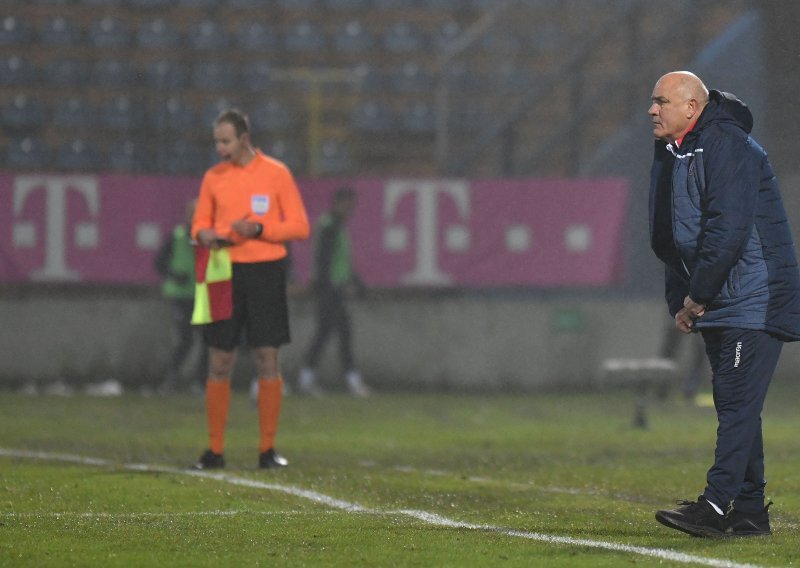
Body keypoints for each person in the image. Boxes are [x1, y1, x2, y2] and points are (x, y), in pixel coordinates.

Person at [648, 71, 800, 537]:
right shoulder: (674, 151)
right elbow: (671, 236)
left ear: (691, 108)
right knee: (738, 405)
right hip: (722, 300)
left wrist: (699, 296)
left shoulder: (727, 144)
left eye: (661, 102)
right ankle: (751, 512)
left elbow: (727, 230)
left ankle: (714, 506)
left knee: (735, 405)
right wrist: (681, 298)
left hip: (754, 296)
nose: (651, 111)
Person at [191, 109, 310, 470]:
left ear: (244, 139)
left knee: (267, 358)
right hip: (223, 270)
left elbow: (300, 226)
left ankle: (267, 450)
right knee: (220, 359)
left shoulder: (276, 173)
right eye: (216, 141)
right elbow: (199, 222)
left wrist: (260, 231)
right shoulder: (213, 178)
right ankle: (214, 451)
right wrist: (203, 234)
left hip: (265, 272)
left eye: (225, 141)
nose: (219, 148)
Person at [297, 187, 370, 397]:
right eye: (348, 204)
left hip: (333, 289)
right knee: (335, 333)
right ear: (338, 202)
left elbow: (342, 262)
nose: (350, 209)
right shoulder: (330, 225)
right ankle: (349, 380)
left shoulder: (334, 225)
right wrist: (328, 287)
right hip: (330, 290)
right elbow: (324, 260)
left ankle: (310, 378)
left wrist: (356, 282)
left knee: (329, 332)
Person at [154, 198, 206, 395]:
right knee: (186, 340)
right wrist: (175, 275)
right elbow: (159, 263)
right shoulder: (176, 236)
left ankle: (200, 383)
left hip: (201, 295)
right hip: (181, 296)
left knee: (207, 341)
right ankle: (171, 378)